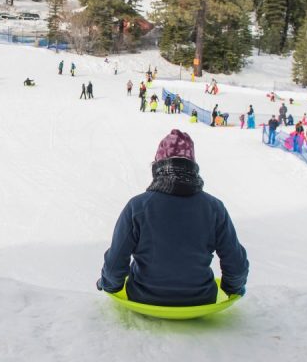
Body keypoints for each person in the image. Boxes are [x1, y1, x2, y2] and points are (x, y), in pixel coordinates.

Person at [97, 130, 248, 306]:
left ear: (158, 166)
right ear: (192, 167)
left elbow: (115, 262)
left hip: (144, 299)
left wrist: (109, 285)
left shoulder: (137, 207)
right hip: (199, 301)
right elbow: (235, 263)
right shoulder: (214, 208)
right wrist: (233, 288)